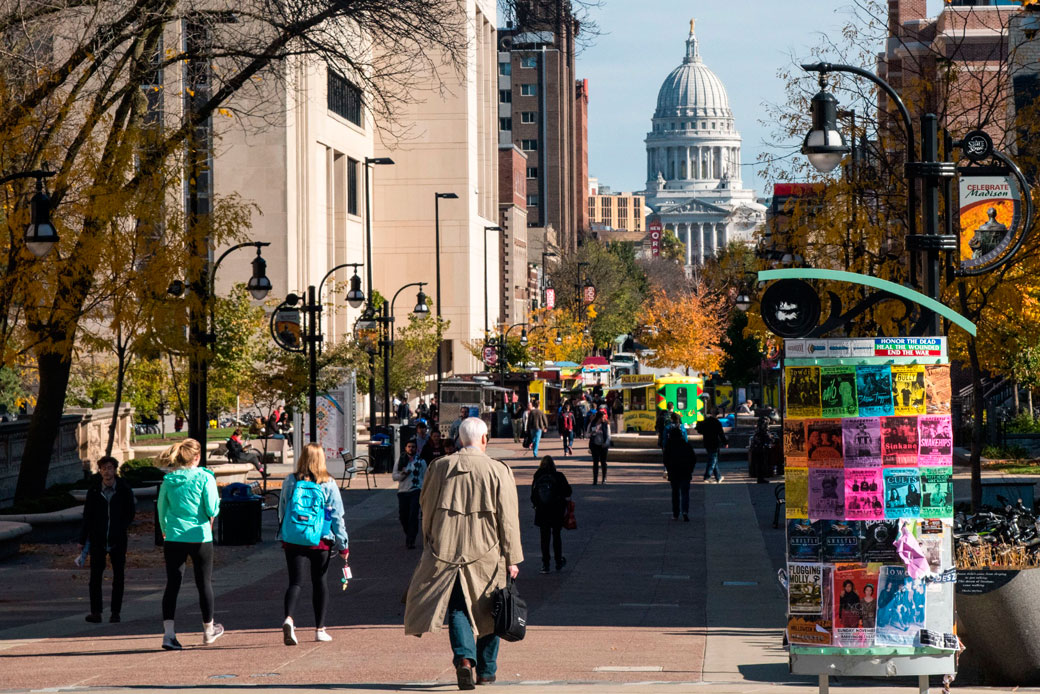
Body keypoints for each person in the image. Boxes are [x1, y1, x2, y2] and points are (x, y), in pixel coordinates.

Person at [404, 418, 523, 689]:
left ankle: (465, 661)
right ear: (484, 439)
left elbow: (428, 509)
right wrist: (512, 556)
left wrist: (430, 543)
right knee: (494, 610)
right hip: (488, 552)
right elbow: (508, 518)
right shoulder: (498, 470)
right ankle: (487, 670)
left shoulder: (439, 467)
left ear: (459, 439)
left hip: (448, 551)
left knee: (458, 608)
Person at [278, 442, 349, 645]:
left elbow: (283, 508)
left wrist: (285, 532)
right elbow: (337, 516)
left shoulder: (290, 480)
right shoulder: (328, 482)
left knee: (295, 582)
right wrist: (343, 544)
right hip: (320, 539)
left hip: (293, 539)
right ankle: (320, 629)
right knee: (320, 583)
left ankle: (289, 619)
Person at [156, 439, 222, 650]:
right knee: (204, 583)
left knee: (172, 584)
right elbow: (212, 508)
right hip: (200, 535)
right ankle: (208, 629)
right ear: (197, 457)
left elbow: (161, 508)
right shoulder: (205, 477)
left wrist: (165, 529)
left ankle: (168, 634)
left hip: (174, 536)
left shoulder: (168, 480)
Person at [79, 456, 136, 623]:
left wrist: (121, 527)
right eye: (103, 468)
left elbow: (130, 512)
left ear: (115, 470)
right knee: (95, 576)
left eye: (110, 468)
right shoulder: (95, 490)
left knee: (118, 575)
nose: (107, 472)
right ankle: (96, 611)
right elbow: (87, 515)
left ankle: (115, 612)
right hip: (98, 539)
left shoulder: (124, 489)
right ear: (100, 471)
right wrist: (82, 539)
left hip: (117, 539)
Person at [531, 456, 572, 574]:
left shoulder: (538, 476)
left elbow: (533, 495)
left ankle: (545, 564)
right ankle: (558, 561)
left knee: (544, 538)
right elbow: (568, 491)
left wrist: (537, 504)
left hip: (542, 511)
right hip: (556, 510)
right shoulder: (558, 476)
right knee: (556, 536)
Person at [392, 439, 427, 549]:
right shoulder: (400, 460)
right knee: (403, 516)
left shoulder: (421, 462)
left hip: (416, 491)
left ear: (416, 449)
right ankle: (409, 533)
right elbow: (394, 477)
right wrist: (403, 474)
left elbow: (425, 477)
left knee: (413, 515)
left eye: (413, 447)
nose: (411, 449)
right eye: (409, 446)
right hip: (403, 491)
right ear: (405, 448)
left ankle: (411, 539)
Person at [662, 414, 695, 521]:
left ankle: (675, 513)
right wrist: (690, 469)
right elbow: (693, 458)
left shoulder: (669, 446)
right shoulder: (686, 445)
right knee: (685, 493)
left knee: (675, 493)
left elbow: (665, 459)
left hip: (674, 472)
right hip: (685, 472)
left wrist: (668, 469)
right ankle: (685, 511)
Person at [695, 412, 728, 483]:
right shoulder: (717, 422)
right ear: (717, 415)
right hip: (714, 443)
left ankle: (718, 477)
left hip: (707, 442)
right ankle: (707, 476)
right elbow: (721, 434)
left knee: (713, 459)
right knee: (713, 460)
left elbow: (699, 429)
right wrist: (725, 442)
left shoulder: (706, 421)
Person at [588, 410, 612, 485]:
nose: (604, 419)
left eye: (604, 417)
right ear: (599, 418)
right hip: (595, 445)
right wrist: (592, 433)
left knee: (603, 462)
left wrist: (606, 443)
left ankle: (604, 479)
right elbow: (587, 434)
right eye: (602, 417)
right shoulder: (592, 424)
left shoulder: (606, 425)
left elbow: (609, 436)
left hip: (603, 446)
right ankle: (595, 479)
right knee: (595, 463)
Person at [749, 417, 775, 484]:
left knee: (760, 464)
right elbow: (766, 437)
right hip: (761, 448)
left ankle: (760, 478)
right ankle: (761, 478)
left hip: (757, 448)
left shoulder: (758, 429)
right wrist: (771, 438)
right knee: (762, 463)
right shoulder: (763, 429)